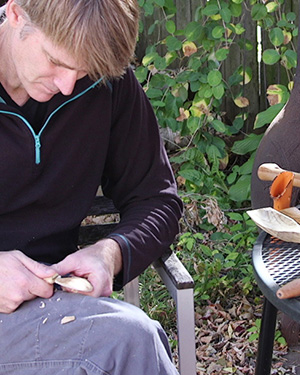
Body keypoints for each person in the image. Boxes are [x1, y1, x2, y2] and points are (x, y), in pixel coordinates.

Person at [0, 0, 183, 374]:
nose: (68, 86)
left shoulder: (106, 84)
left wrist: (109, 252)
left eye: (82, 70)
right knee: (129, 342)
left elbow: (157, 199)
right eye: (55, 60)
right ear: (16, 13)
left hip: (53, 308)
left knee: (133, 340)